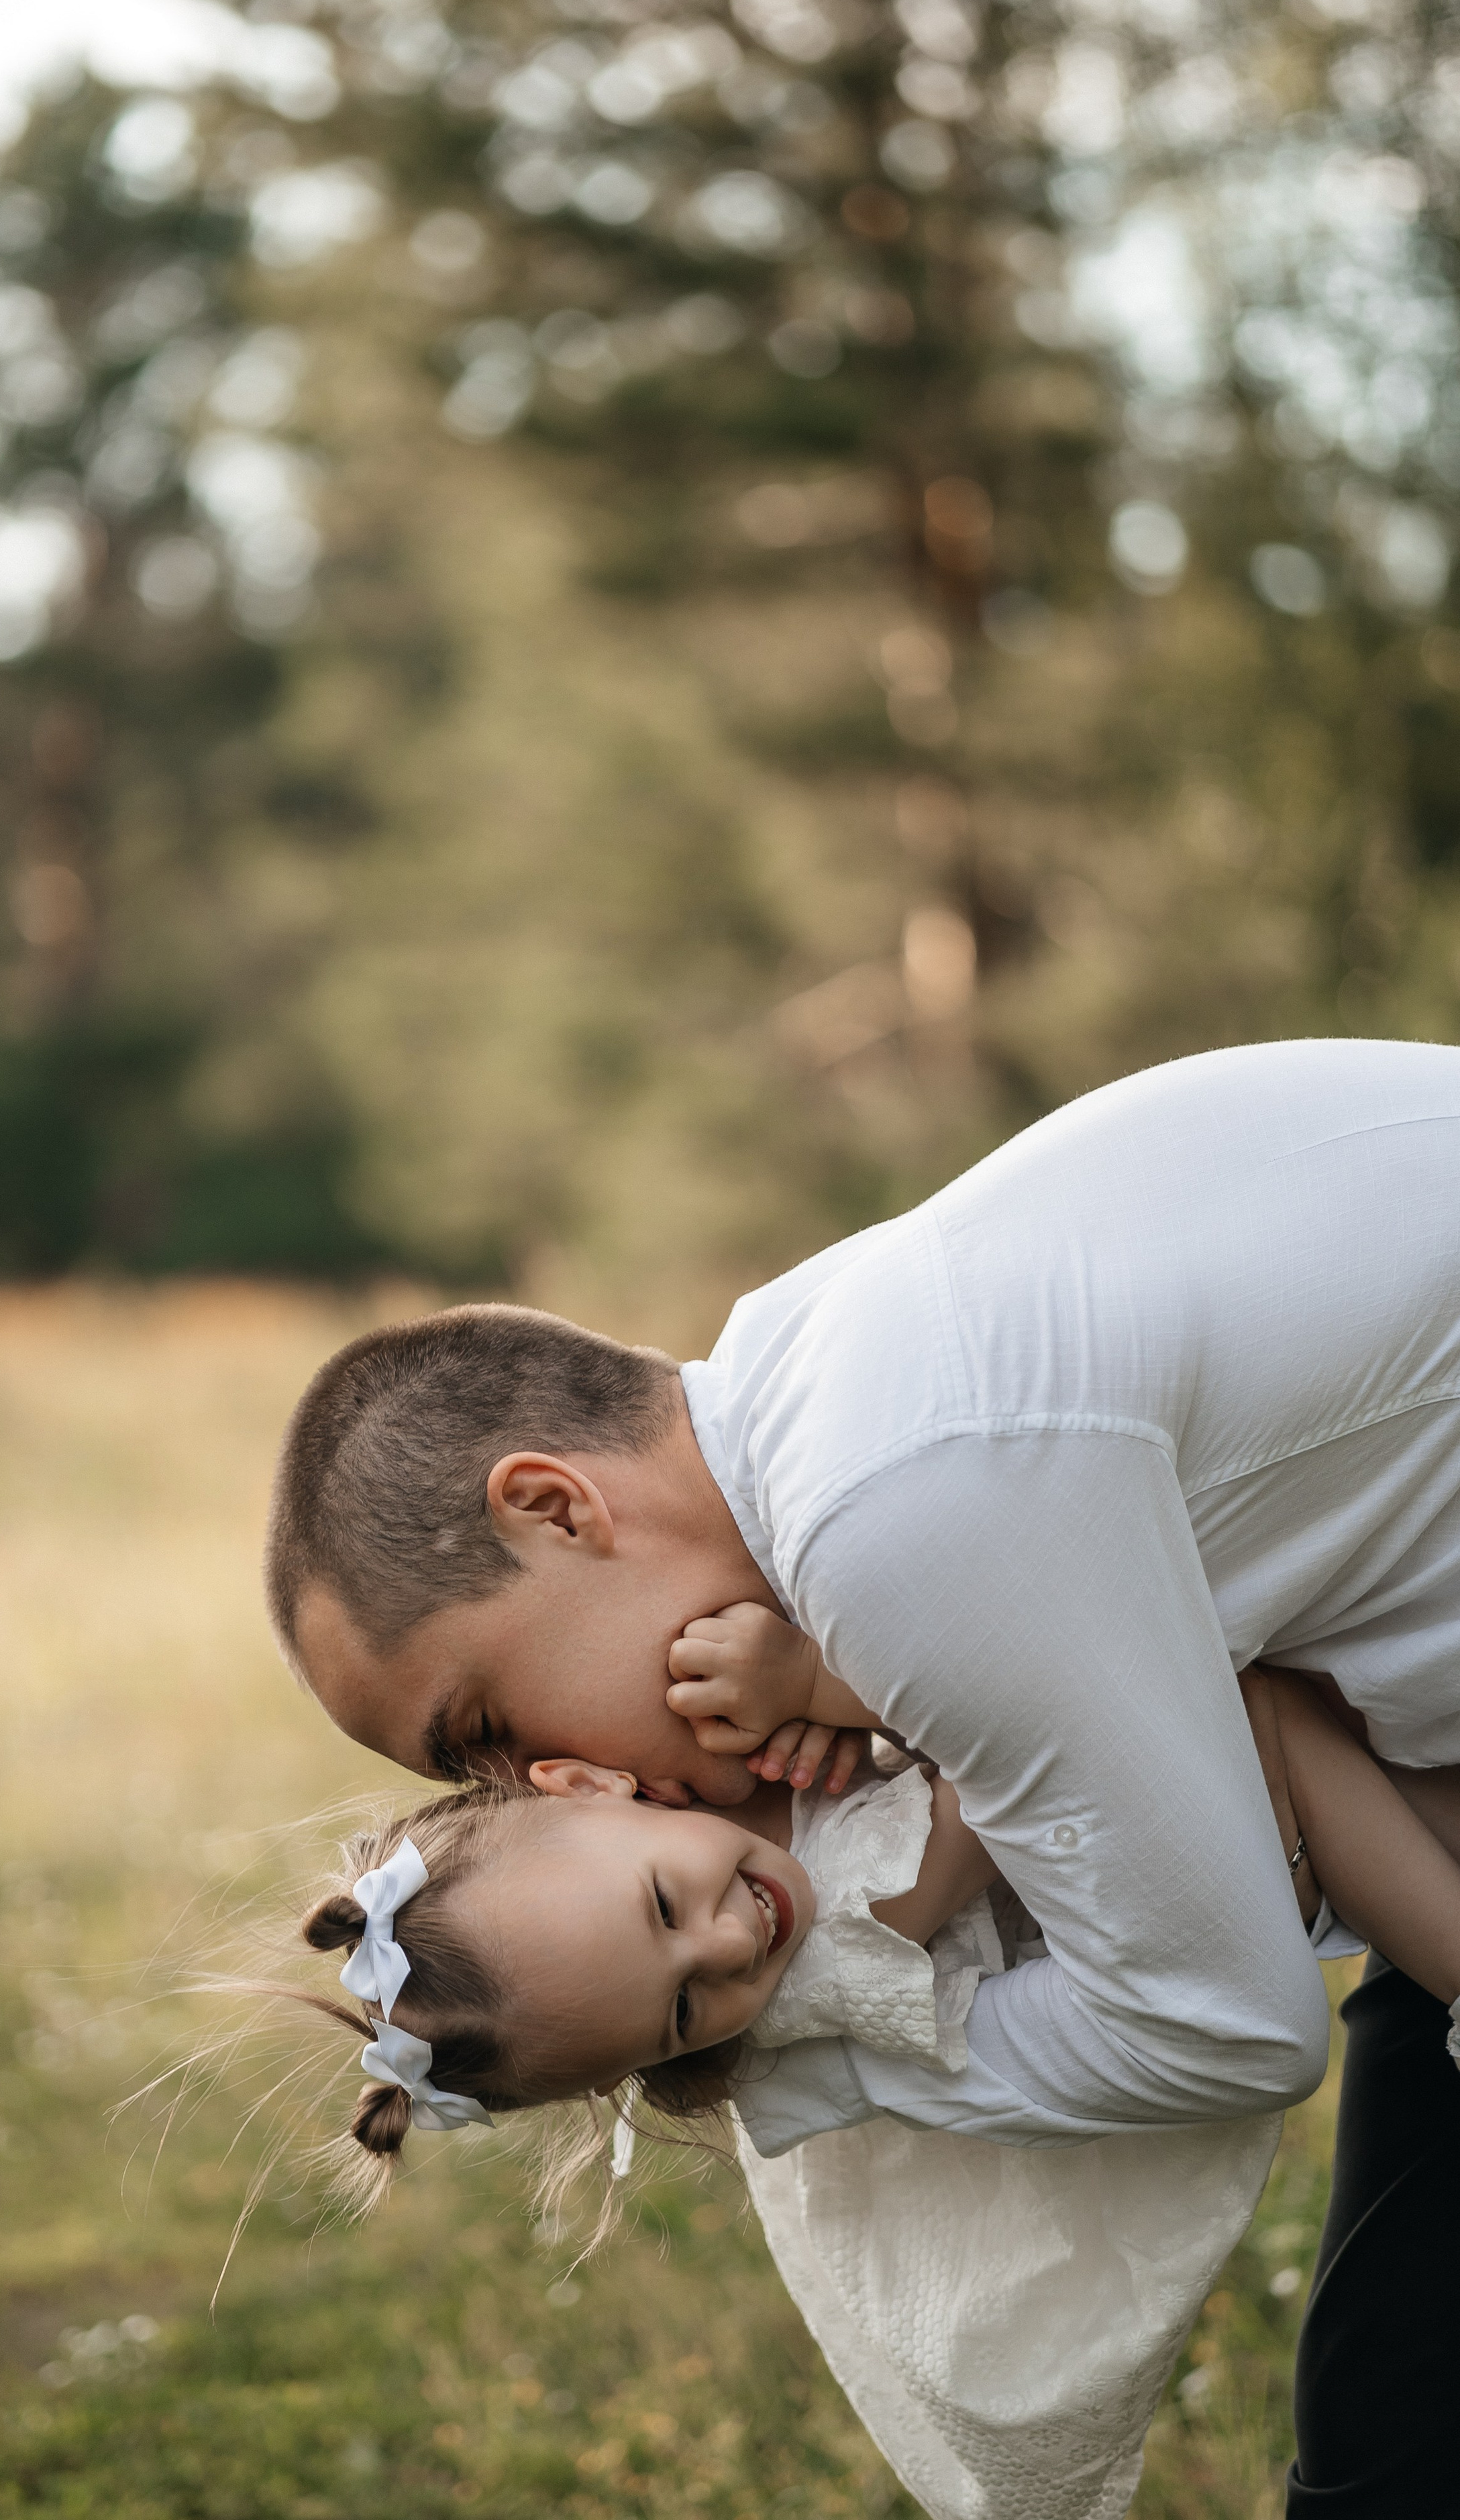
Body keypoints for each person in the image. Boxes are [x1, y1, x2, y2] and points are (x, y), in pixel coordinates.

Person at [266, 1037, 1460, 2513]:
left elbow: (1224, 2033)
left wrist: (832, 2054)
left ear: (554, 1508)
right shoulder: (827, 1367)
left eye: (486, 1730)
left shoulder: (890, 1516)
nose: (556, 1779)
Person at [295, 1648, 1460, 2517]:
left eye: (661, 1903)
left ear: (590, 1786)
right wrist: (823, 1680)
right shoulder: (852, 1924)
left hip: (1223, 1800)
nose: (728, 1944)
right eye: (685, 2011)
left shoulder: (745, 1799)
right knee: (1281, 1718)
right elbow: (1009, 1739)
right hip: (1232, 1824)